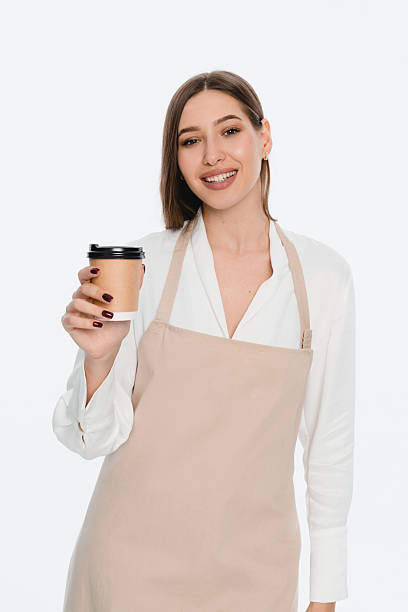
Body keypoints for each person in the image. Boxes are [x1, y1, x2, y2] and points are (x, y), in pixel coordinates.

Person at [53, 71, 355, 612]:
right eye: (191, 140)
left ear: (264, 137)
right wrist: (97, 359)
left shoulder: (324, 278)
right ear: (177, 159)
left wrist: (325, 595)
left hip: (257, 578)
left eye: (230, 131)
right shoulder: (145, 265)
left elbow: (329, 446)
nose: (212, 155)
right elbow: (91, 441)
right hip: (128, 571)